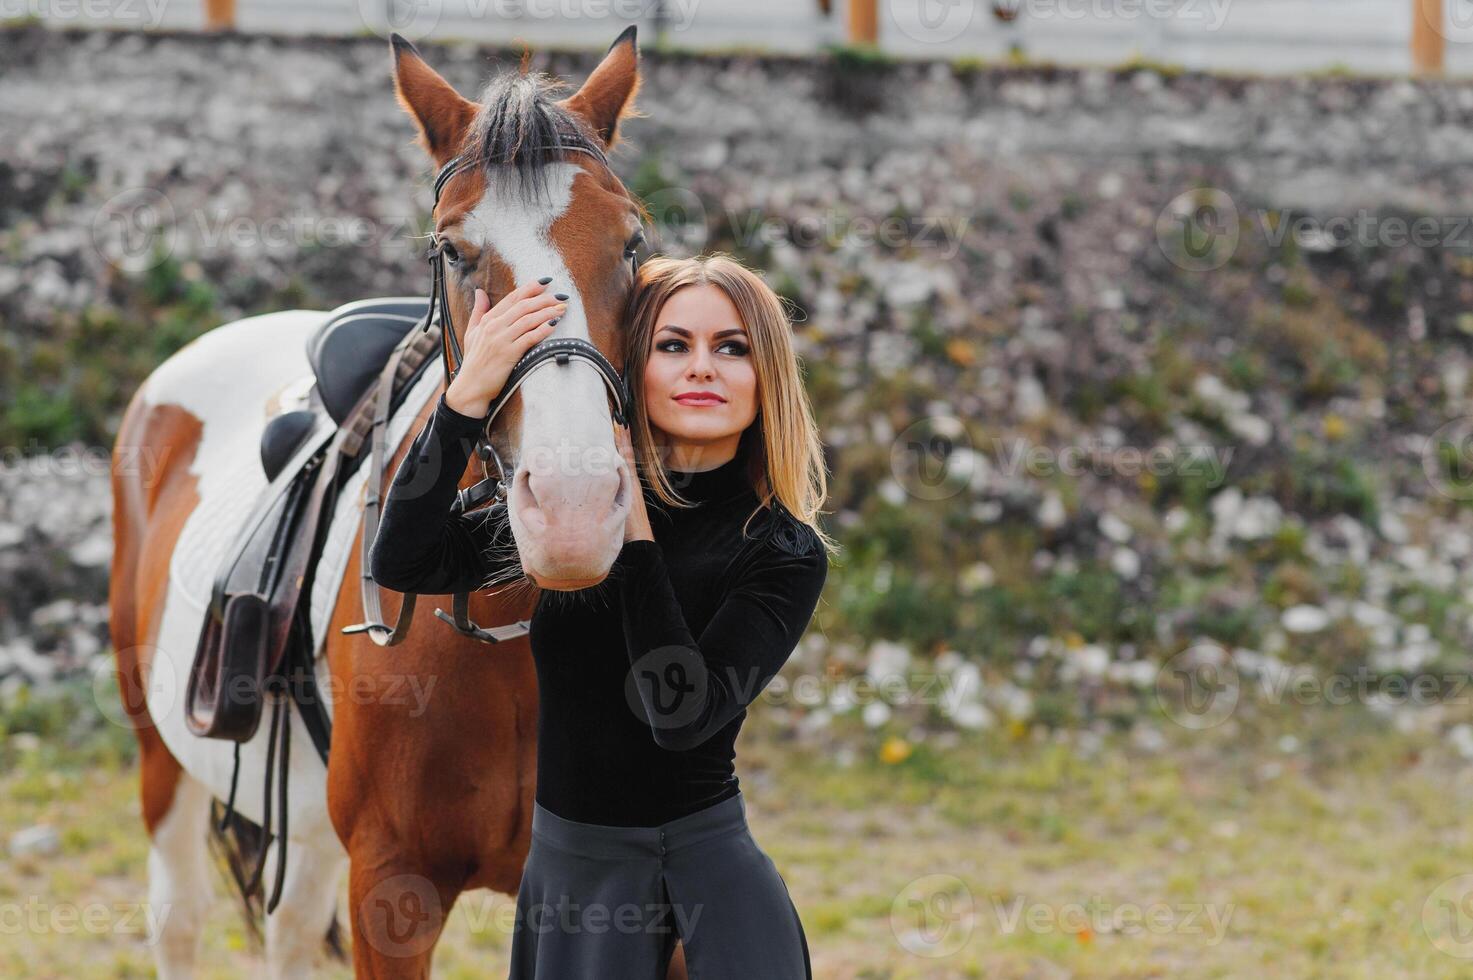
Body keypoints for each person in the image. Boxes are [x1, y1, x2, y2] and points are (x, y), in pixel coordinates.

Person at [369, 254, 835, 978]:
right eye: (673, 345)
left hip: (706, 885)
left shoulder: (781, 549)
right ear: (631, 368)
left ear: (765, 376)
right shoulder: (571, 518)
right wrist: (462, 401)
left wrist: (636, 530)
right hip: (572, 885)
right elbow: (404, 560)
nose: (702, 368)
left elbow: (677, 714)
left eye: (732, 348)